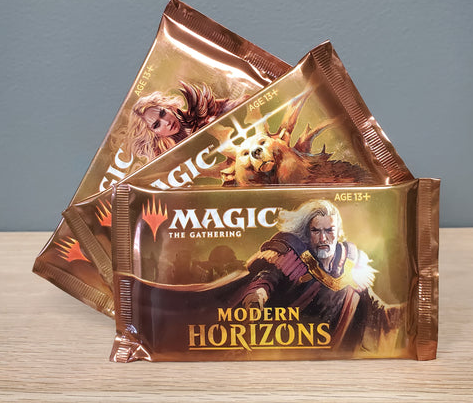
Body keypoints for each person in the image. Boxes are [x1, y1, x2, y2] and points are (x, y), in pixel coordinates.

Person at [241, 200, 403, 353]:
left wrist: (404, 313)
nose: (323, 238)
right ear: (307, 233)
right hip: (287, 347)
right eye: (316, 231)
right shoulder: (291, 256)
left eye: (329, 230)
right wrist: (257, 296)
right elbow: (267, 278)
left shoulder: (351, 263)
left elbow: (376, 310)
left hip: (334, 357)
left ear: (338, 232)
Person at [122, 82, 246, 164]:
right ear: (153, 133)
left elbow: (241, 103)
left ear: (168, 108)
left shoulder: (199, 111)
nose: (166, 122)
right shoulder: (166, 157)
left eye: (163, 113)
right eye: (157, 125)